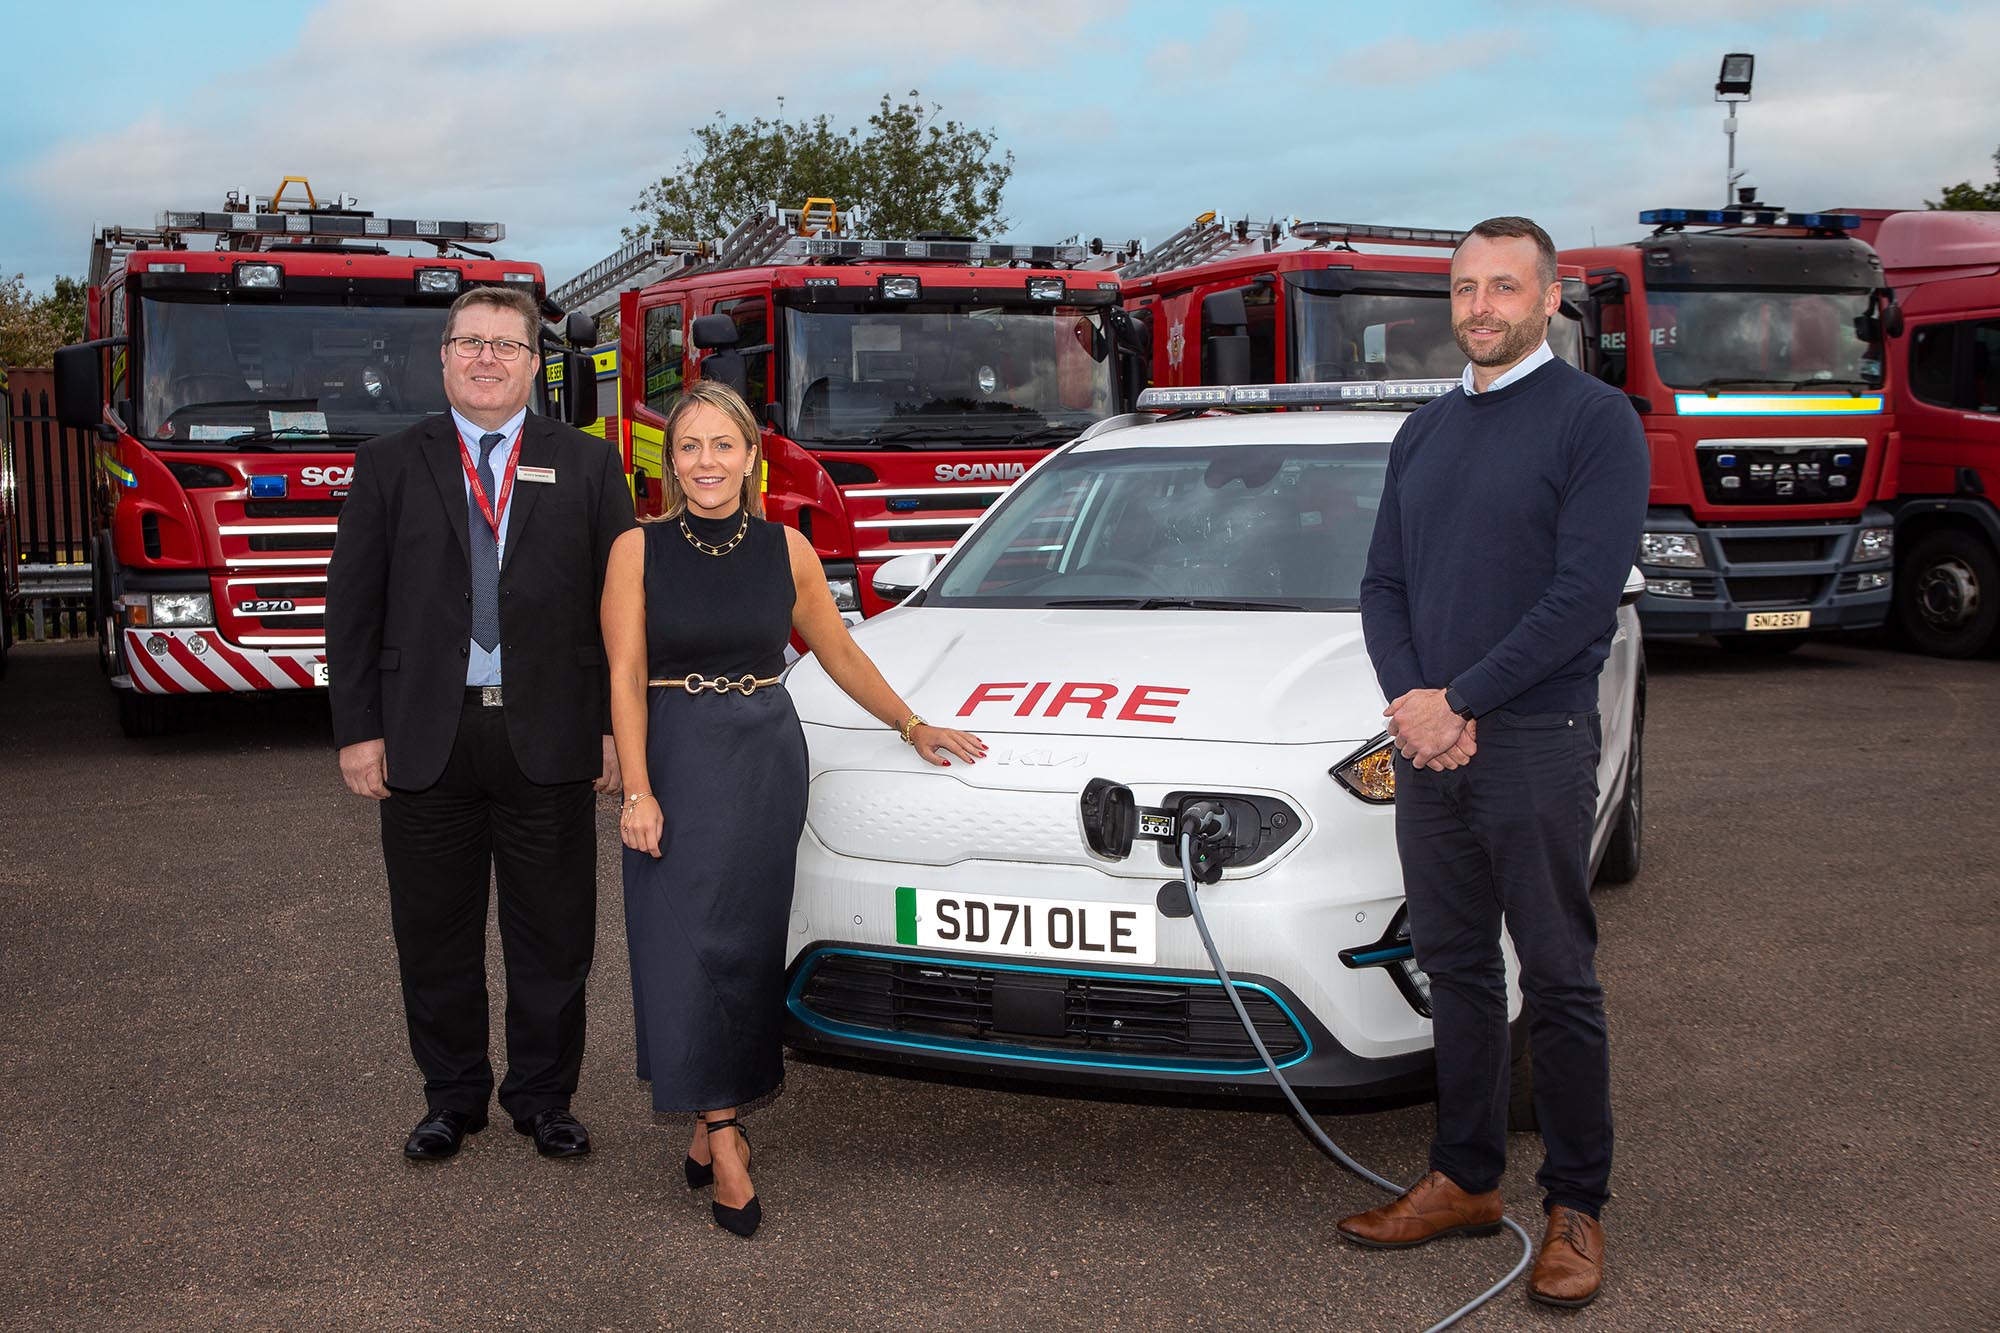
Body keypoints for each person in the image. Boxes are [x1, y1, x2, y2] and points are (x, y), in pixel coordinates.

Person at [600, 378, 984, 1238]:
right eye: (689, 446)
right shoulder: (637, 549)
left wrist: (911, 723)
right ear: (671, 462)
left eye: (722, 445)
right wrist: (638, 788)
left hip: (764, 761)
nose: (705, 462)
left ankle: (713, 1118)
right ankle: (727, 1139)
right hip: (676, 755)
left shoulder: (788, 549)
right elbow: (623, 674)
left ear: (751, 456)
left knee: (742, 949)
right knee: (682, 948)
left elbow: (838, 651)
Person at [1347, 217, 1649, 1309]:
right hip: (1430, 743)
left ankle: (1576, 1203)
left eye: (1504, 287)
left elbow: (1581, 596)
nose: (1480, 307)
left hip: (1532, 738)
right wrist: (1415, 704)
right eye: (1465, 288)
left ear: (1550, 299)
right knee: (1457, 966)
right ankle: (1466, 1177)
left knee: (1557, 974)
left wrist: (1459, 699)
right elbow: (1382, 584)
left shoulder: (1594, 421)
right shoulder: (1423, 432)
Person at [327, 284, 636, 1162]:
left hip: (552, 737)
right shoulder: (388, 464)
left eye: (506, 345)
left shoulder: (589, 464)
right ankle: (451, 1097)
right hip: (427, 738)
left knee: (555, 938)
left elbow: (621, 612)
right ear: (444, 357)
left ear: (535, 364)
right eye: (470, 342)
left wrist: (616, 729)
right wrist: (358, 729)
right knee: (434, 937)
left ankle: (543, 1097)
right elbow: (352, 608)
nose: (486, 358)